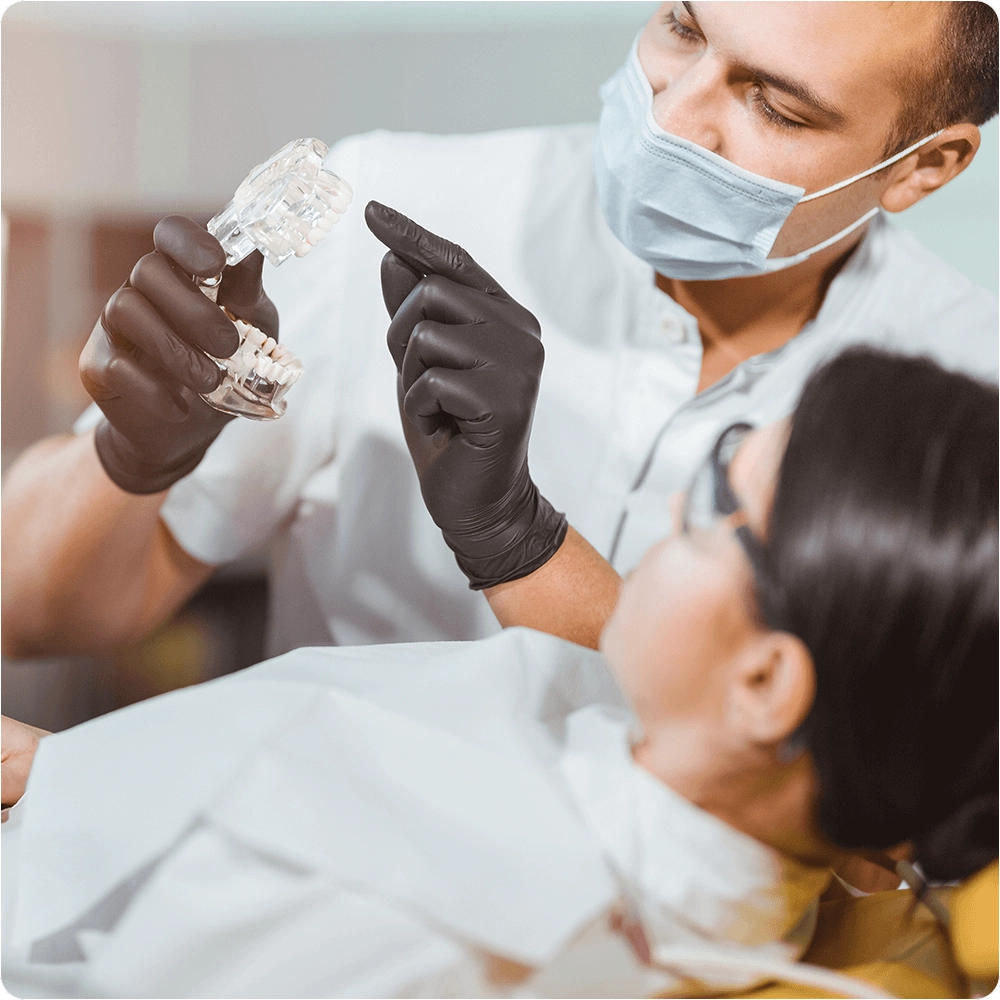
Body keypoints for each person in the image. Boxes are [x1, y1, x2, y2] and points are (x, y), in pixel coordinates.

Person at [2, 2, 997, 659]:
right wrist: (130, 456)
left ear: (923, 168)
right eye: (684, 29)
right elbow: (28, 614)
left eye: (773, 104)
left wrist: (519, 541)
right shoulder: (395, 205)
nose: (670, 114)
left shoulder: (966, 392)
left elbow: (848, 815)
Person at [2, 348, 996, 999]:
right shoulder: (601, 750)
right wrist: (72, 776)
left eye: (719, 500)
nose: (676, 517)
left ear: (766, 686)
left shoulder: (426, 941)